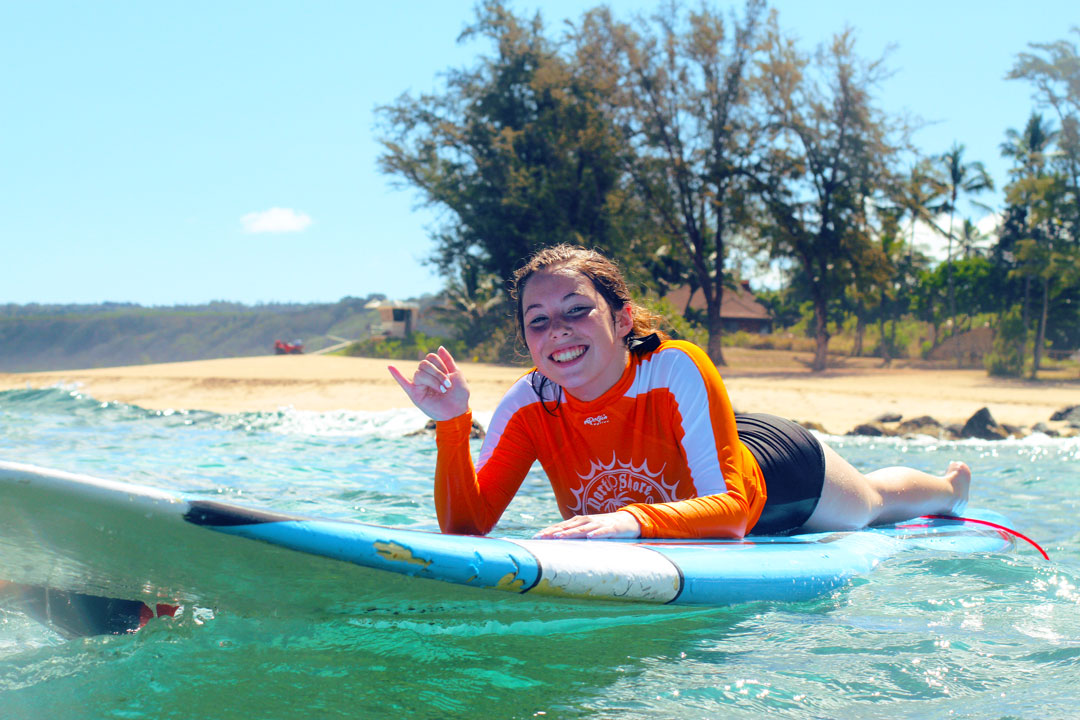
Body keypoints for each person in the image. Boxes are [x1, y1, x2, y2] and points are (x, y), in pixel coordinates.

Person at [389, 244, 969, 540]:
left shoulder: (674, 368)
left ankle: (949, 488)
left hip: (775, 474)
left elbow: (734, 516)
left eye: (577, 311)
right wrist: (451, 423)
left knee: (871, 504)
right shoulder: (527, 404)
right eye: (537, 321)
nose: (557, 331)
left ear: (621, 320)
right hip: (694, 464)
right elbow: (467, 530)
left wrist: (628, 522)